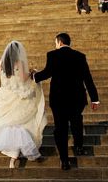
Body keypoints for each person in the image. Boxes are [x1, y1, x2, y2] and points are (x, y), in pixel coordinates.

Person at [32, 33, 100, 171]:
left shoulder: (53, 55)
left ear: (59, 42)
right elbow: (88, 79)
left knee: (61, 129)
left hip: (59, 99)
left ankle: (64, 161)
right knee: (76, 122)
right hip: (77, 98)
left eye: (55, 43)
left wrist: (33, 76)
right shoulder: (80, 56)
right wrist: (95, 99)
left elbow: (47, 73)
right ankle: (79, 147)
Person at [0, 40, 47, 168]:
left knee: (9, 123)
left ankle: (13, 155)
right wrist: (32, 72)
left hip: (4, 95)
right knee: (19, 123)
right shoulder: (19, 62)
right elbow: (24, 78)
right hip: (17, 95)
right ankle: (16, 154)